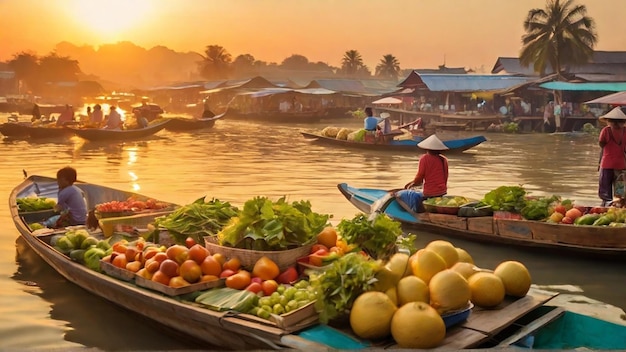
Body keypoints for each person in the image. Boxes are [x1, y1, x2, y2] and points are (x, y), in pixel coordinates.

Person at [394, 134, 449, 213]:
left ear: (427, 148)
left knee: (404, 196)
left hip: (429, 194)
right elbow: (445, 178)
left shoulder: (424, 158)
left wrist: (410, 185)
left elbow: (419, 179)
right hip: (442, 192)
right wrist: (413, 182)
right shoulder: (444, 160)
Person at [598, 107, 626, 206]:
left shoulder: (606, 131)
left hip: (607, 164)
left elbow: (601, 144)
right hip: (621, 165)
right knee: (620, 191)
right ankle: (619, 207)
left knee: (605, 192)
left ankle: (606, 206)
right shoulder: (625, 131)